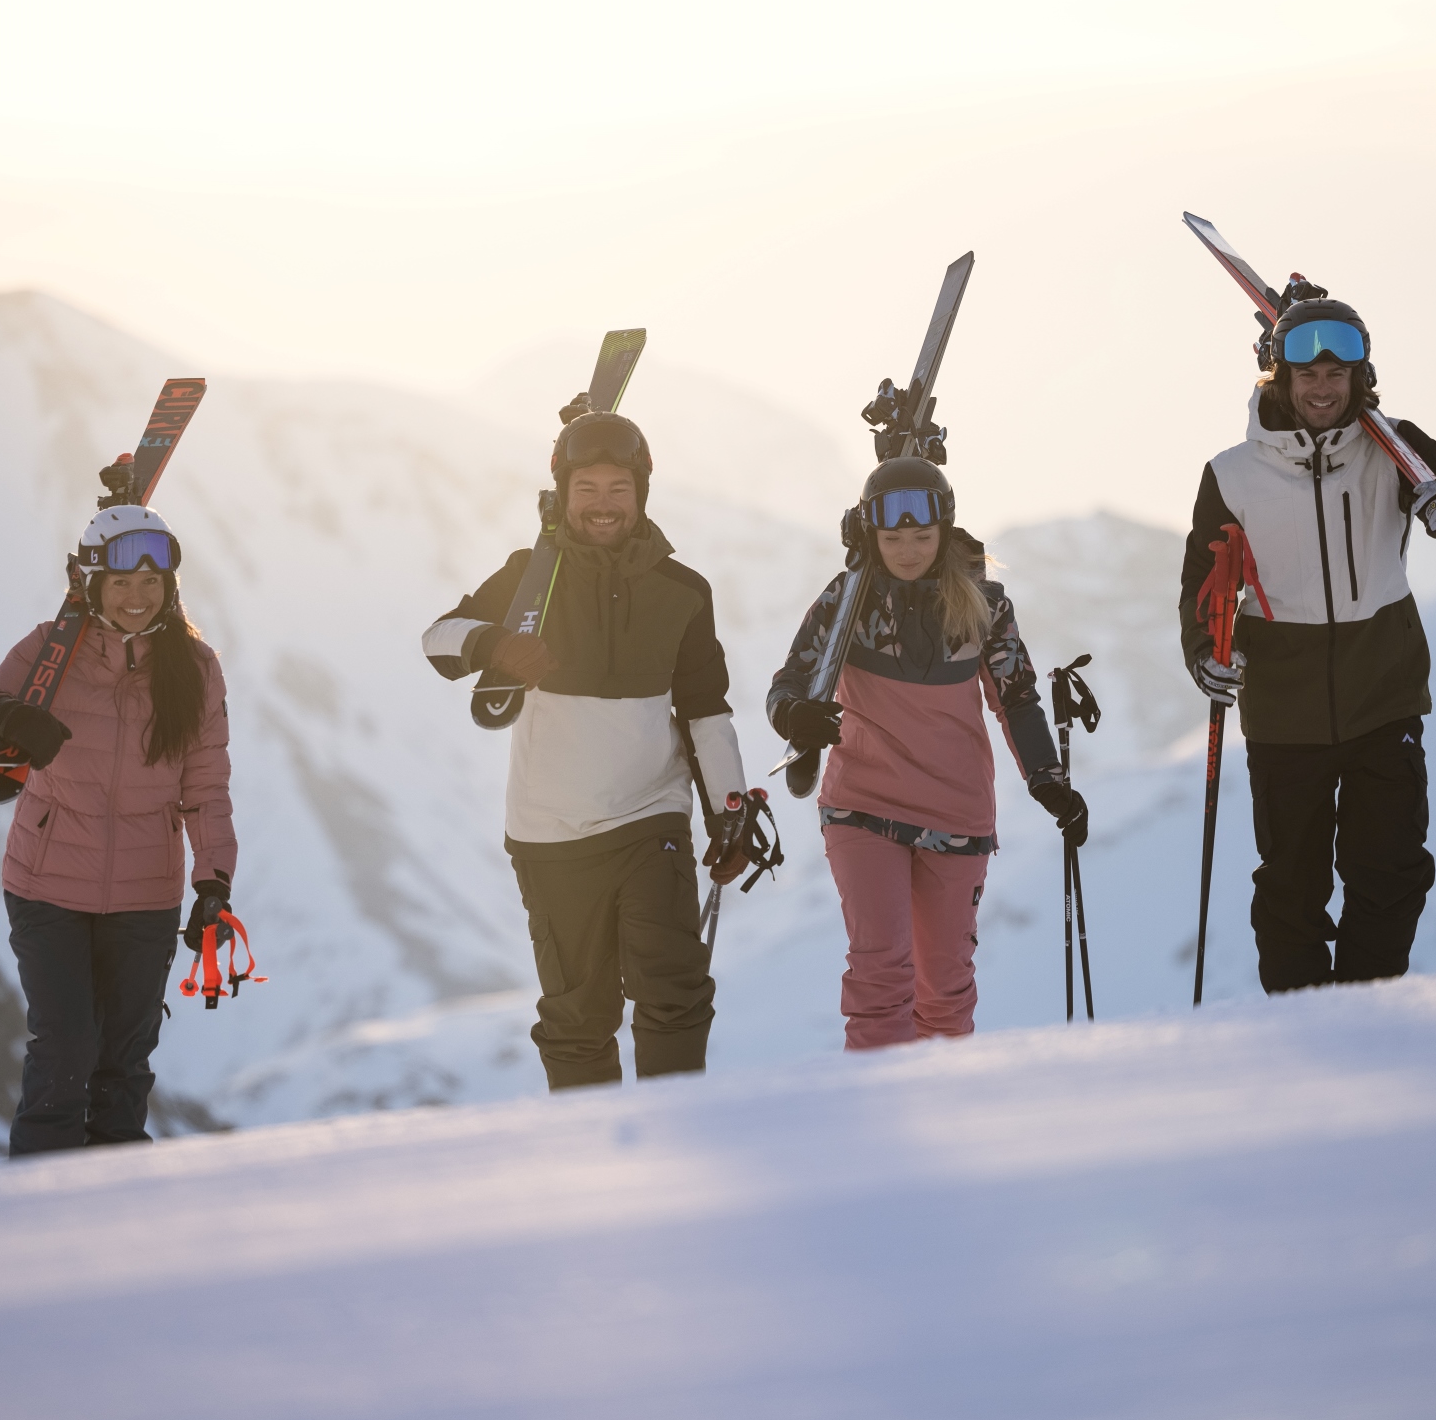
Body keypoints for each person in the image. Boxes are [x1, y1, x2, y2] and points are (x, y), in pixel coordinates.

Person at [423, 406, 755, 1090]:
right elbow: (439, 638)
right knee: (579, 1015)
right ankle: (594, 1161)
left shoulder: (683, 592)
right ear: (563, 495)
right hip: (551, 832)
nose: (604, 505)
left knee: (673, 985)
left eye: (618, 489)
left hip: (650, 815)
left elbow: (705, 711)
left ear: (641, 494)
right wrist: (495, 643)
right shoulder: (529, 579)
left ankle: (677, 1128)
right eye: (587, 489)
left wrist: (729, 813)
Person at [1177, 297, 1436, 994]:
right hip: (1283, 705)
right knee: (1292, 882)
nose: (1323, 389)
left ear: (1359, 376)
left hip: (1383, 689)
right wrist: (1204, 650)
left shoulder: (1390, 446)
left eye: (1337, 374)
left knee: (1391, 867)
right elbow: (1202, 580)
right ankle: (1302, 1020)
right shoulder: (1232, 473)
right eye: (1308, 374)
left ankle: (1366, 1006)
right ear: (1280, 378)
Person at [770, 457, 1086, 1049]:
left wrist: (1048, 780)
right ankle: (875, 1110)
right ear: (871, 535)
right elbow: (789, 683)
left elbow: (1016, 700)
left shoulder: (984, 606)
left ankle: (942, 1103)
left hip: (956, 816)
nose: (908, 550)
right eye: (892, 538)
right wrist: (795, 716)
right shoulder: (847, 602)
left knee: (943, 989)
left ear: (945, 532)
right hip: (862, 806)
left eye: (921, 536)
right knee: (880, 968)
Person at [0, 504, 235, 1154]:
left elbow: (206, 787)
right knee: (65, 1045)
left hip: (145, 892)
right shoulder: (51, 649)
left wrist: (213, 882)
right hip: (45, 883)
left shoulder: (194, 669)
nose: (138, 597)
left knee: (124, 1058)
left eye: (151, 582)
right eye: (121, 582)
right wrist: (6, 716)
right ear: (91, 584)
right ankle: (39, 1191)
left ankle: (114, 1200)